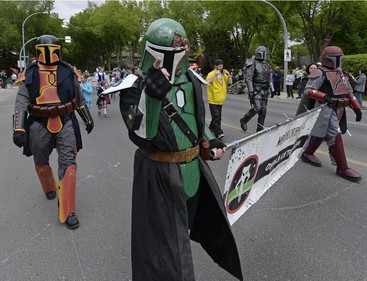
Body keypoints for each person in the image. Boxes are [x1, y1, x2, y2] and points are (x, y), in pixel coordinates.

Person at [108, 18, 242, 281]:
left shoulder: (191, 78)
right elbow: (140, 134)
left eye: (183, 50)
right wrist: (152, 96)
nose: (178, 57)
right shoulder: (134, 85)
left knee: (187, 228)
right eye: (172, 52)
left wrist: (210, 141)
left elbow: (195, 117)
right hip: (160, 175)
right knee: (164, 247)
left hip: (193, 170)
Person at [12, 35, 94, 229]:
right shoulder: (30, 72)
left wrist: (87, 119)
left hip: (65, 121)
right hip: (39, 123)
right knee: (40, 160)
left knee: (69, 163)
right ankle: (49, 186)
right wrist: (18, 127)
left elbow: (78, 97)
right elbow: (22, 100)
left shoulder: (67, 70)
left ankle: (67, 209)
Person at [296, 46, 362, 182]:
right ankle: (342, 167)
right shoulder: (319, 72)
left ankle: (307, 153)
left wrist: (356, 107)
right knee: (334, 133)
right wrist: (324, 96)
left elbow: (348, 91)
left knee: (322, 132)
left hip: (340, 109)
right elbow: (309, 90)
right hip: (326, 107)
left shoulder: (340, 72)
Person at [240, 46, 274, 132]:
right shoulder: (252, 63)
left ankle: (260, 128)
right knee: (257, 108)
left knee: (263, 110)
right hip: (256, 89)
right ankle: (244, 120)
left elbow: (269, 78)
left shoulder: (266, 65)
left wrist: (272, 88)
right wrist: (251, 90)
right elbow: (248, 78)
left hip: (265, 89)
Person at [206, 59, 232, 139]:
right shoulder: (211, 74)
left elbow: (230, 83)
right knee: (216, 117)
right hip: (213, 99)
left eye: (222, 66)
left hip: (220, 100)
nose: (221, 67)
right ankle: (218, 132)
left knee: (218, 116)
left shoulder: (223, 74)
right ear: (215, 66)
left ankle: (211, 128)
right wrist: (215, 75)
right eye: (219, 66)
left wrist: (229, 74)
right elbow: (207, 81)